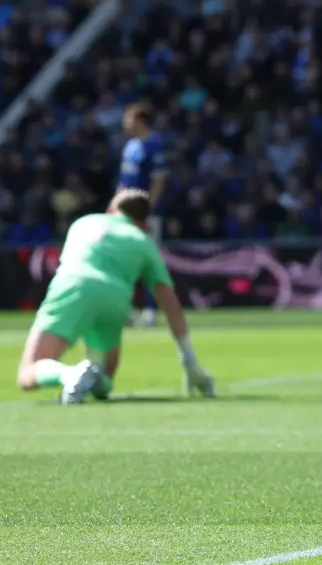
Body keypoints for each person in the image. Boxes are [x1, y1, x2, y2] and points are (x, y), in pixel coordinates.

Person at [16, 188, 215, 404]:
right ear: (144, 223)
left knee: (29, 371)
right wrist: (189, 360)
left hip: (73, 286)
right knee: (104, 382)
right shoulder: (144, 242)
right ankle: (89, 376)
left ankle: (70, 374)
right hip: (115, 299)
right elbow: (170, 303)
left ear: (112, 210)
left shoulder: (85, 222)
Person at [118, 103, 169, 326]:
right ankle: (125, 310)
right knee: (123, 262)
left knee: (148, 263)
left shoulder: (154, 146)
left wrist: (146, 210)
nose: (125, 124)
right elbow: (123, 182)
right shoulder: (130, 146)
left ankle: (150, 311)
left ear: (140, 121)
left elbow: (158, 182)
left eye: (128, 119)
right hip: (124, 213)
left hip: (145, 214)